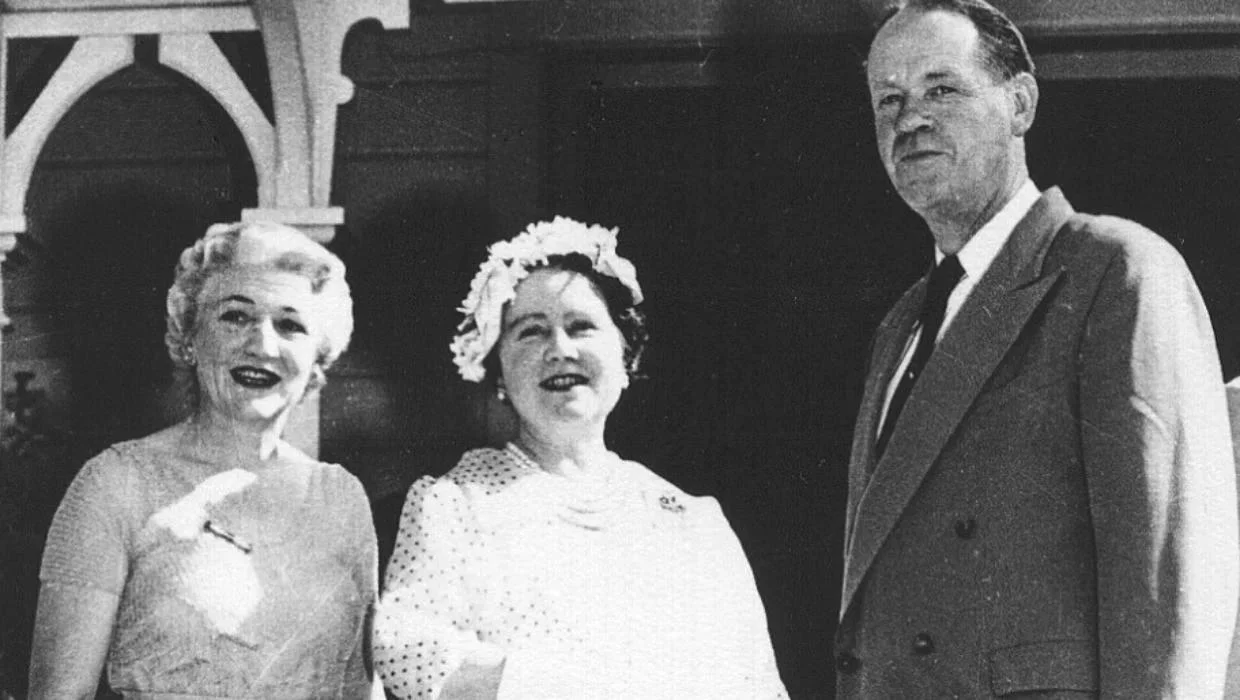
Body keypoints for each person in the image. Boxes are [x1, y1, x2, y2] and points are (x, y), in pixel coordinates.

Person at [836, 1, 1240, 697]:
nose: (910, 119)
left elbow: (1170, 582)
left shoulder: (1110, 271)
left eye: (942, 89)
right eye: (889, 100)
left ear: (1020, 102)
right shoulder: (900, 327)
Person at [373, 216, 788, 699]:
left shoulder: (692, 521)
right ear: (498, 372)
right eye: (531, 332)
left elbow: (756, 684)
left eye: (581, 326)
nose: (560, 350)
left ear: (625, 355)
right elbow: (404, 650)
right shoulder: (454, 505)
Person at [29, 222, 381, 699]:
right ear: (190, 339)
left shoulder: (341, 498)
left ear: (317, 363)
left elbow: (362, 689)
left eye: (290, 325)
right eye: (235, 316)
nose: (262, 344)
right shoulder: (116, 484)